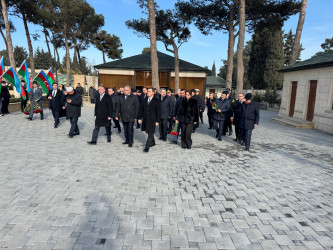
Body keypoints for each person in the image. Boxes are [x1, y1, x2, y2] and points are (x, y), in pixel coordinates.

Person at [139, 88, 161, 152]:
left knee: (150, 133)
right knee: (149, 132)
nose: (147, 92)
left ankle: (147, 147)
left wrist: (157, 121)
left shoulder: (156, 100)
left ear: (153, 92)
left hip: (153, 119)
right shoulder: (144, 99)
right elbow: (141, 109)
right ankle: (153, 142)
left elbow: (158, 112)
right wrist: (140, 118)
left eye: (149, 91)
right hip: (146, 119)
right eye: (147, 91)